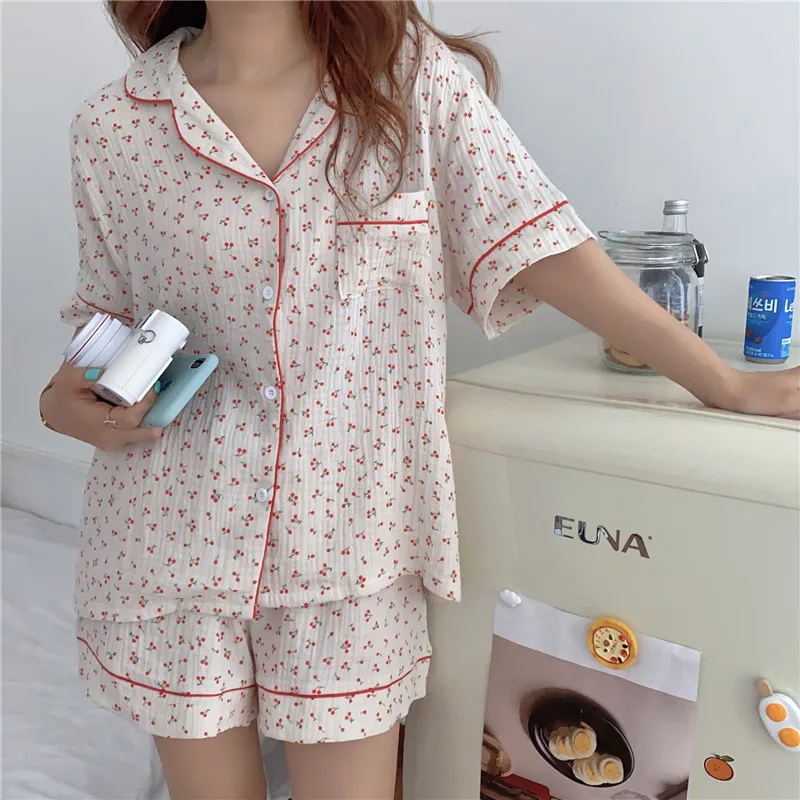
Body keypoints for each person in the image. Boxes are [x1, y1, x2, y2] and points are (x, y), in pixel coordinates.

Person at [39, 1, 799, 799]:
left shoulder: (407, 86)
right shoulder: (116, 125)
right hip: (169, 537)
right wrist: (61, 403)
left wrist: (723, 383)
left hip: (351, 544)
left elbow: (541, 246)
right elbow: (105, 321)